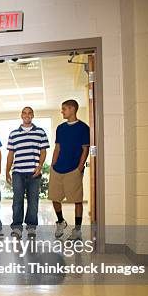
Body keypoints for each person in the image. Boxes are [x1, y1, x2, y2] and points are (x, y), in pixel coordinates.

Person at [48, 100, 90, 239]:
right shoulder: (60, 128)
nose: (62, 111)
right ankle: (60, 221)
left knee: (77, 200)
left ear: (72, 109)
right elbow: (57, 147)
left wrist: (79, 168)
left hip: (74, 170)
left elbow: (85, 149)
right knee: (54, 198)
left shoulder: (84, 127)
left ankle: (77, 230)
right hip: (57, 169)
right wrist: (52, 166)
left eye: (64, 109)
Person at [5, 106, 49, 237]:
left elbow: (43, 151)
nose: (27, 115)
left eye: (29, 113)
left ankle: (31, 227)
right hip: (18, 172)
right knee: (17, 200)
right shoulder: (13, 133)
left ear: (33, 115)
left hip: (34, 172)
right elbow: (10, 154)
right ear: (21, 115)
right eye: (24, 113)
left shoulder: (40, 132)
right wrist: (7, 171)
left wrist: (40, 166)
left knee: (33, 200)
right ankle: (17, 227)